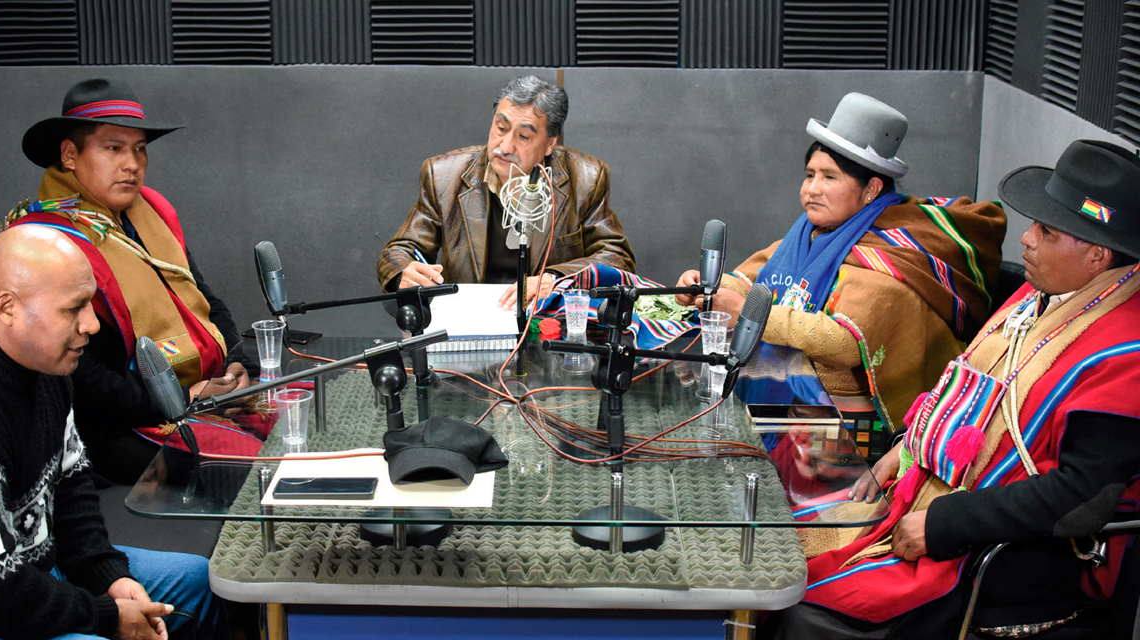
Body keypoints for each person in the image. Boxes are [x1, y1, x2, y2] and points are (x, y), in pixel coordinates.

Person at [764, 139, 1140, 638]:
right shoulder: (1036, 298)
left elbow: (1080, 499)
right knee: (781, 562)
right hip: (933, 491)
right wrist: (905, 450)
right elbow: (962, 382)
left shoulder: (1124, 353)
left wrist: (946, 525)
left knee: (808, 611)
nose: (1025, 239)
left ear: (1096, 256)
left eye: (1046, 231)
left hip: (1018, 553)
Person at [0, 225, 226, 639]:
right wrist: (107, 616)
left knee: (197, 583)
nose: (91, 324)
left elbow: (70, 486)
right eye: (74, 309)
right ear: (7, 307)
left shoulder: (45, 365)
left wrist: (106, 575)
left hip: (31, 575)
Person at [676, 92, 1006, 460]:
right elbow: (755, 279)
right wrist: (709, 288)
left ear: (872, 190)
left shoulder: (891, 252)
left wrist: (751, 312)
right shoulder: (813, 232)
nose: (811, 189)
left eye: (829, 177)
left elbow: (845, 340)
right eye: (809, 175)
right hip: (801, 400)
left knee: (788, 485)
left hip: (859, 431)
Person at [0, 78, 252, 484]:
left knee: (301, 411)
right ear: (70, 154)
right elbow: (79, 377)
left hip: (198, 391)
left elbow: (202, 298)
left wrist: (238, 363)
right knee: (253, 467)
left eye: (140, 149)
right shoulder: (47, 242)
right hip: (110, 426)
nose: (132, 163)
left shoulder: (151, 213)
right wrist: (183, 400)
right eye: (113, 148)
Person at [376, 74, 635, 309]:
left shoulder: (587, 178)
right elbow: (399, 250)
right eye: (500, 129)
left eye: (523, 136)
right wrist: (405, 271)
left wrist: (555, 279)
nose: (506, 145)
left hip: (546, 323)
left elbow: (617, 257)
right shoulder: (443, 175)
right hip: (469, 319)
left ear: (550, 143)